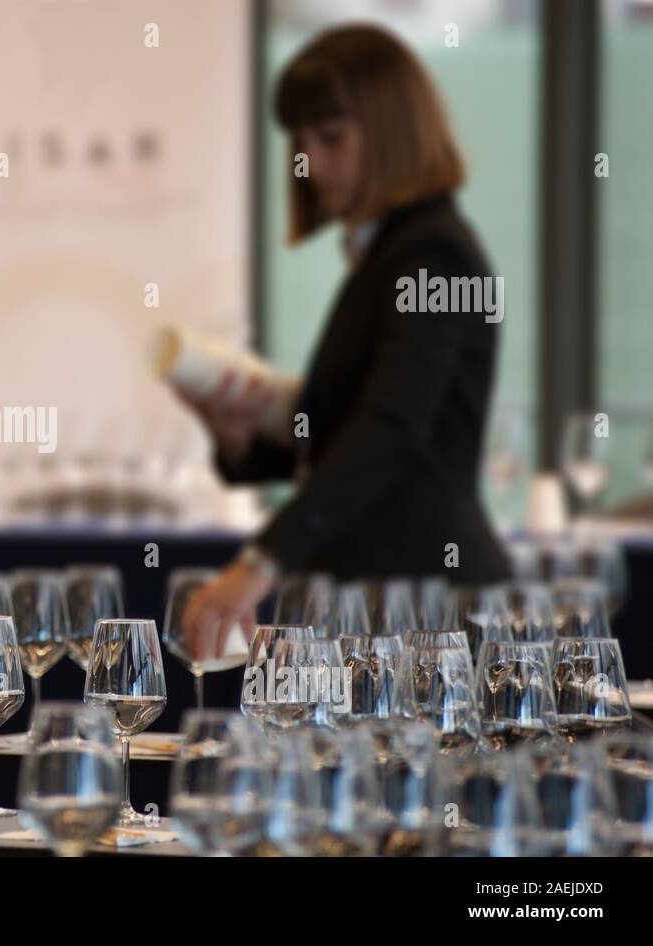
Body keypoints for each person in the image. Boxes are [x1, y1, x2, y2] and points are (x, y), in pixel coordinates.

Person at [180, 24, 510, 661]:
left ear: (392, 130)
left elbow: (392, 429)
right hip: (393, 603)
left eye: (330, 137)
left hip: (428, 608)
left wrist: (262, 560)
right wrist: (241, 439)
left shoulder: (433, 253)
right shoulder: (391, 253)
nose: (310, 163)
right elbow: (347, 434)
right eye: (298, 141)